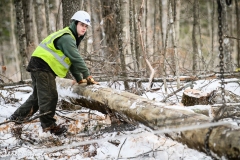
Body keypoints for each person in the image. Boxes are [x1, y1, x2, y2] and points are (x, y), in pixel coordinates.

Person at [9, 10, 98, 135]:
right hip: (43, 66)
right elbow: (75, 58)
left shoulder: (70, 37)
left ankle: (15, 119)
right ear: (75, 24)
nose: (84, 28)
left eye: (86, 26)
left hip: (38, 64)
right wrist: (87, 75)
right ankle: (49, 127)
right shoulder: (67, 38)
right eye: (82, 25)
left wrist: (79, 78)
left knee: (37, 98)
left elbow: (70, 61)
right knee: (50, 96)